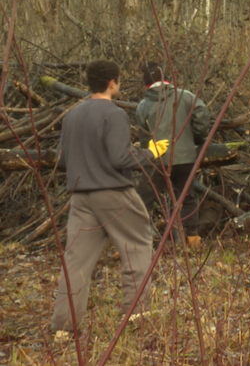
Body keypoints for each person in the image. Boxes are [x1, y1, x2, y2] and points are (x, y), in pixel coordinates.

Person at [52, 60, 169, 341]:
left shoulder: (71, 116)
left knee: (76, 261)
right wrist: (151, 152)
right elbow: (121, 158)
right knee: (138, 243)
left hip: (80, 196)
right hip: (114, 193)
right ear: (112, 83)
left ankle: (62, 327)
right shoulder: (114, 114)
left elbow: (62, 159)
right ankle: (136, 315)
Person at [136, 61, 211, 248]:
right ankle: (193, 237)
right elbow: (201, 115)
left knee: (143, 200)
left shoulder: (143, 106)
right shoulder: (186, 96)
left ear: (146, 83)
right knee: (187, 195)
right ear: (166, 78)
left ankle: (136, 241)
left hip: (158, 161)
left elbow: (144, 137)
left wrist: (150, 152)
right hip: (186, 158)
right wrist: (197, 137)